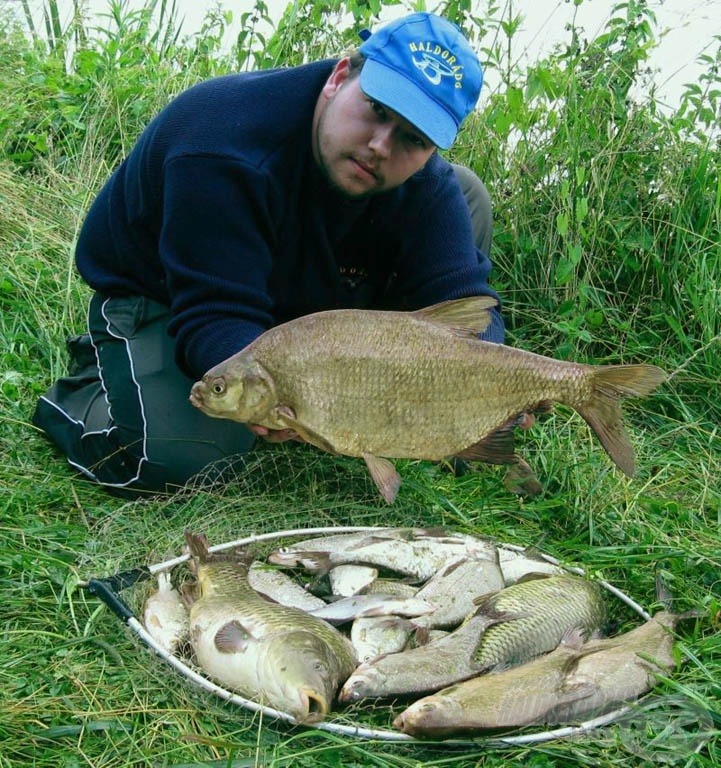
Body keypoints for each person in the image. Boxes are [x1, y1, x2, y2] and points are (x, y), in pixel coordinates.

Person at [33, 12, 506, 497]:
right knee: (187, 462)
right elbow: (216, 317)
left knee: (468, 195)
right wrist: (279, 394)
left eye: (413, 138)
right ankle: (93, 383)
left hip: (299, 305)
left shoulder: (429, 186)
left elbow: (465, 303)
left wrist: (491, 382)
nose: (380, 146)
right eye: (377, 109)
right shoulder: (221, 140)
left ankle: (405, 412)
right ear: (340, 76)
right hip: (170, 295)